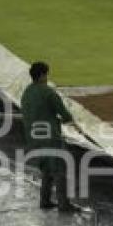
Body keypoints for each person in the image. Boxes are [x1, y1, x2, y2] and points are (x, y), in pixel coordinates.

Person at [20, 62, 80, 213]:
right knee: (59, 169)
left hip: (33, 137)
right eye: (46, 74)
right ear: (42, 75)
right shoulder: (48, 92)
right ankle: (64, 204)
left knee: (46, 168)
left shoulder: (27, 92)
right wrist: (73, 123)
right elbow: (64, 114)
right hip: (50, 137)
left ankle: (45, 200)